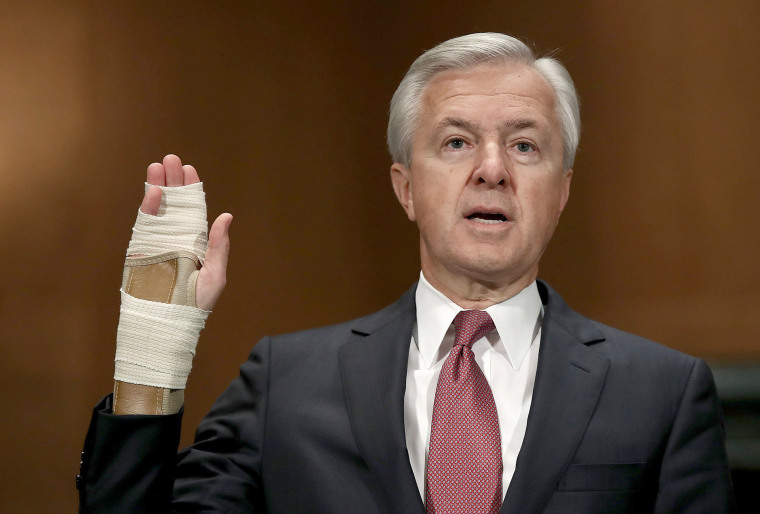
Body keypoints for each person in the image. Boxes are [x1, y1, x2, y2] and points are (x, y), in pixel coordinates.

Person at [78, 33, 736, 513]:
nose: (492, 168)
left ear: (560, 191)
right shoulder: (285, 384)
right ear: (406, 188)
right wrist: (151, 353)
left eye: (525, 145)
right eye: (455, 142)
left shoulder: (663, 394)